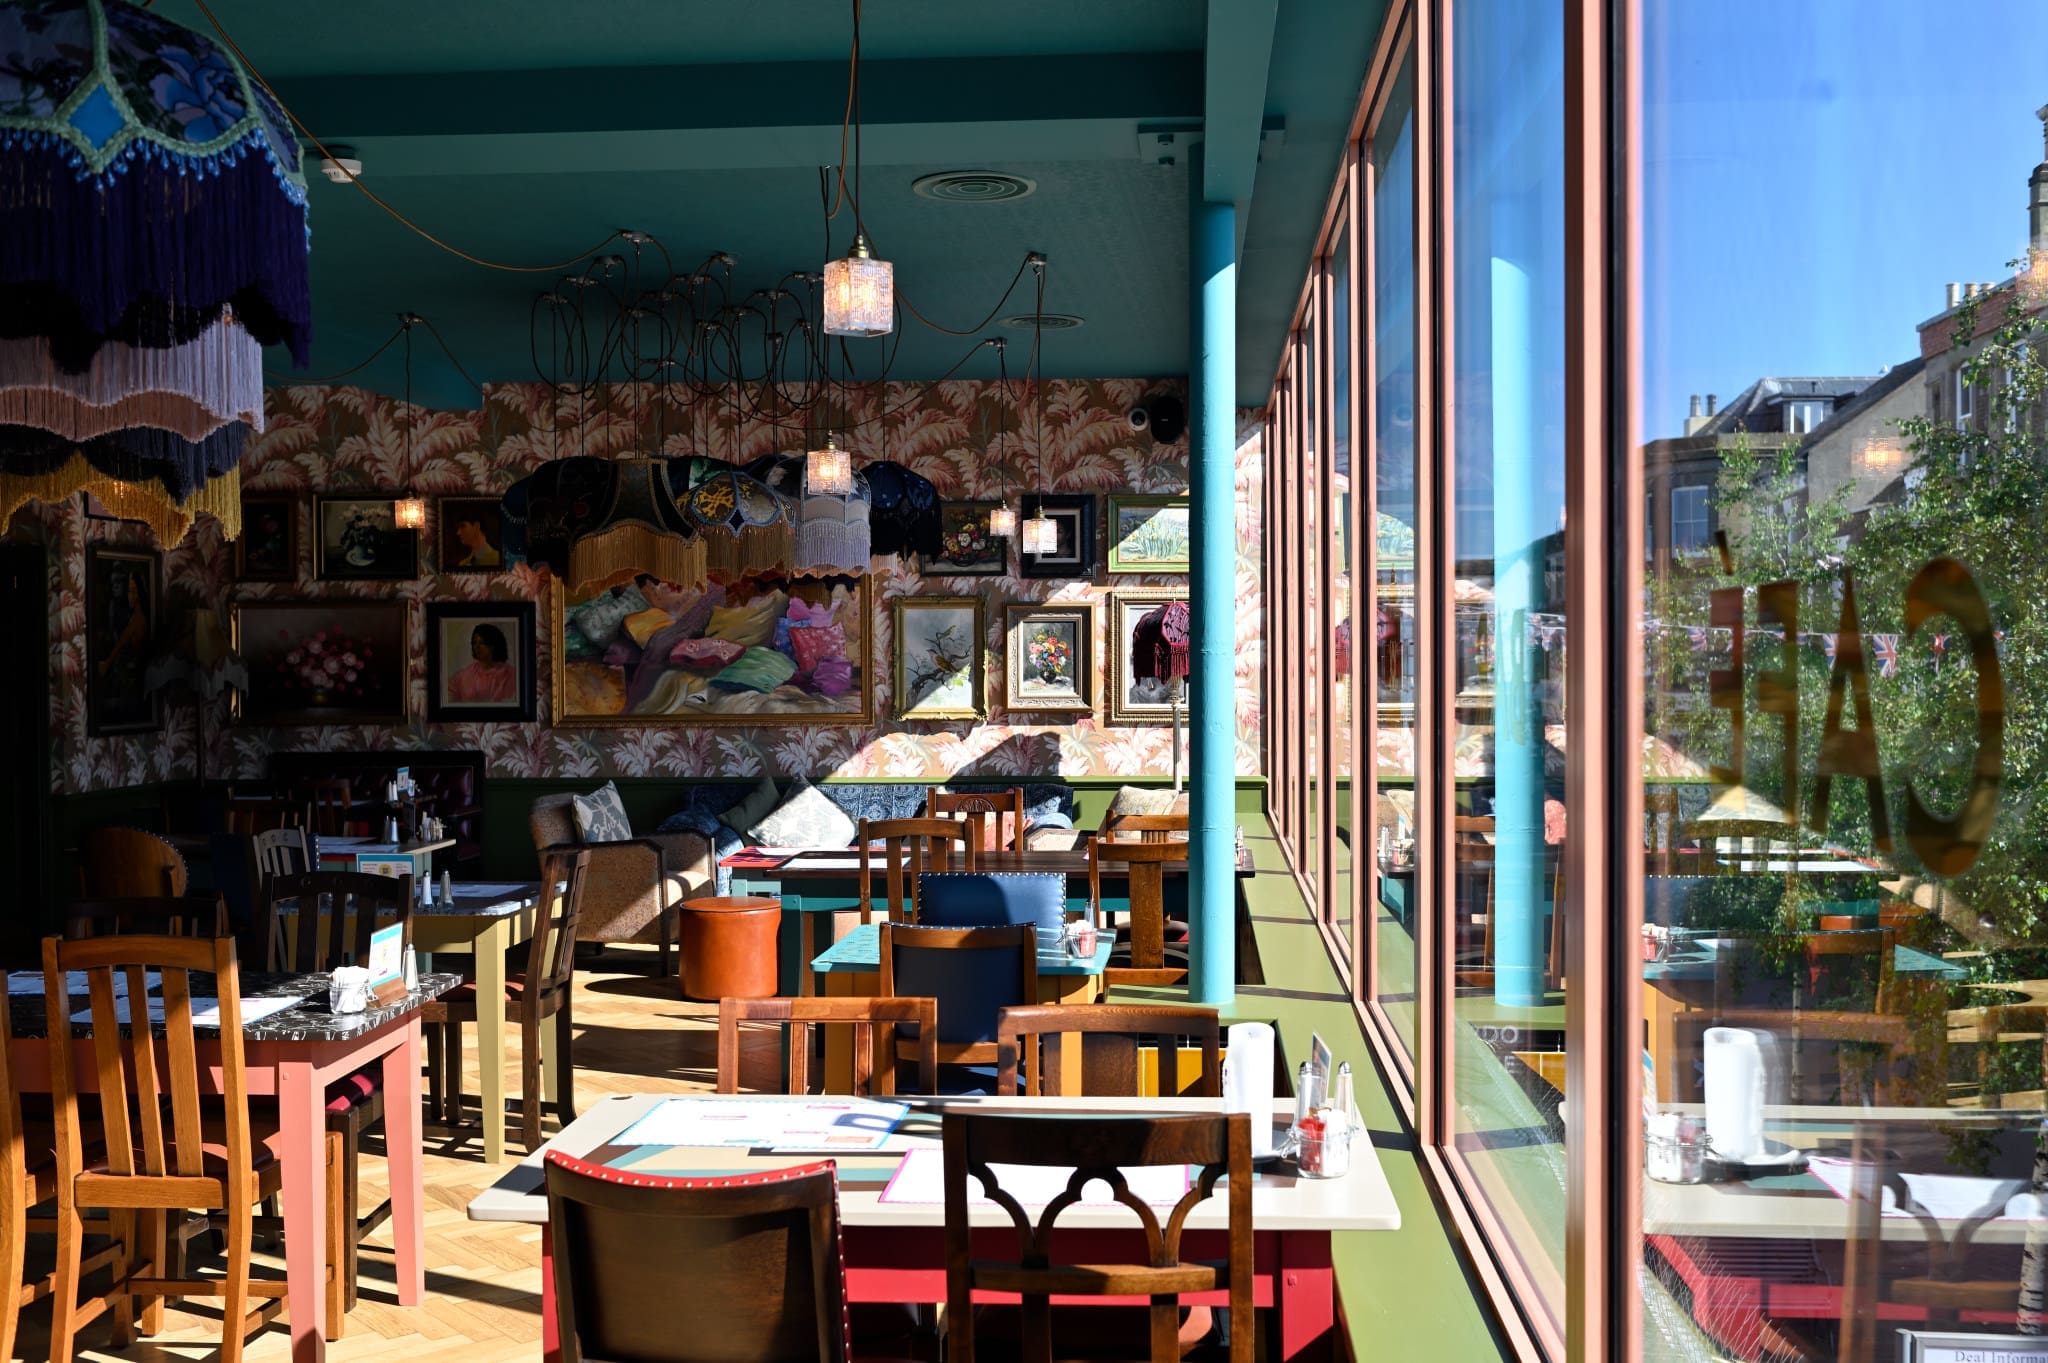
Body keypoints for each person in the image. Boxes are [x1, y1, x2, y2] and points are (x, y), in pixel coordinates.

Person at [445, 623, 515, 704]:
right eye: (474, 643)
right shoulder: (466, 674)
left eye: (481, 643)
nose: (476, 647)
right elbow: (448, 693)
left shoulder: (510, 673)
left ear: (492, 645)